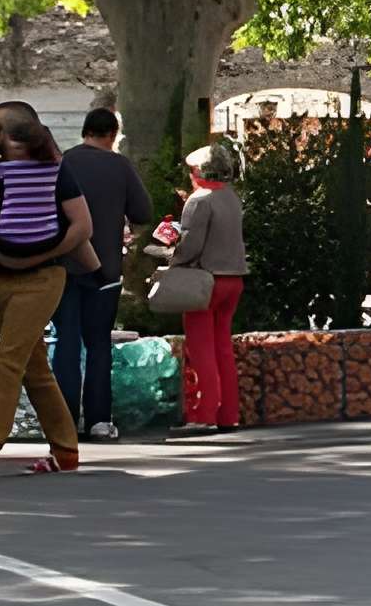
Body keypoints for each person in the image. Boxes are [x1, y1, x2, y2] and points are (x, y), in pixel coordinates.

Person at [0, 105, 93, 480]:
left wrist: (42, 254)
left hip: (42, 277)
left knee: (8, 361)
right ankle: (65, 451)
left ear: (16, 137)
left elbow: (82, 226)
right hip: (8, 278)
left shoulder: (58, 174)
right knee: (34, 367)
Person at [47, 102, 153, 444]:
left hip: (63, 264)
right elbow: (142, 211)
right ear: (112, 135)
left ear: (83, 131)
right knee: (98, 344)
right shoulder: (119, 166)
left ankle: (62, 418)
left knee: (65, 340)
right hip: (105, 268)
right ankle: (98, 419)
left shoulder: (63, 163)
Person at [157, 139, 250, 435]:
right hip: (233, 278)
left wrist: (168, 253)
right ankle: (228, 413)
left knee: (200, 349)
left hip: (205, 281)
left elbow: (190, 246)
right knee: (222, 347)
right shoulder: (231, 197)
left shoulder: (199, 200)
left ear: (200, 171)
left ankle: (204, 414)